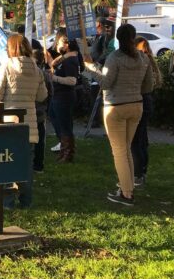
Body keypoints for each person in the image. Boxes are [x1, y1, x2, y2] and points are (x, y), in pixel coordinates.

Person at [84, 24, 154, 206]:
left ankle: (127, 193)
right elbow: (149, 86)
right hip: (136, 105)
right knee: (126, 149)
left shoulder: (114, 58)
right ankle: (127, 186)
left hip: (115, 106)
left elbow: (106, 83)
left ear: (117, 37)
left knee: (120, 151)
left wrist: (91, 70)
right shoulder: (143, 58)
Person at [0, 34, 48, 208]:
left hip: (8, 122)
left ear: (10, 48)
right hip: (29, 124)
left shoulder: (6, 66)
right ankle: (26, 201)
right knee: (26, 165)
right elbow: (42, 95)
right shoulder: (36, 68)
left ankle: (7, 201)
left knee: (6, 162)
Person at [131, 36, 162, 186]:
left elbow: (148, 84)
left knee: (137, 141)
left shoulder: (143, 61)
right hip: (146, 101)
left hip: (141, 101)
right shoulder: (148, 60)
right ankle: (141, 171)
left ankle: (139, 174)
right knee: (141, 139)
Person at [47, 32, 82, 163]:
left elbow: (72, 80)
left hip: (64, 96)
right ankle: (64, 147)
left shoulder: (71, 60)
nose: (57, 45)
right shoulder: (65, 58)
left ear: (67, 45)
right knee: (55, 118)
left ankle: (68, 152)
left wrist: (54, 78)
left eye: (60, 42)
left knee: (65, 124)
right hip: (58, 94)